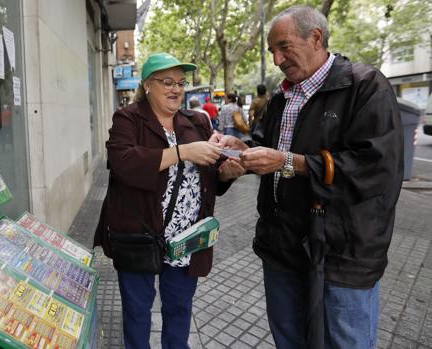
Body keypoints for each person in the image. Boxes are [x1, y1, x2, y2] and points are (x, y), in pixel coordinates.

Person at [219, 5, 403, 348]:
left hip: (342, 256)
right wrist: (240, 150)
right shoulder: (282, 97)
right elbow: (268, 145)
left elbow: (377, 168)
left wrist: (292, 163)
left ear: (315, 37)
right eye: (272, 51)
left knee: (344, 342)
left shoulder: (364, 86)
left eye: (283, 46)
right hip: (282, 251)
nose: (276, 59)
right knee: (289, 340)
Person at [93, 52, 245, 349]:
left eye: (180, 82)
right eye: (167, 82)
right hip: (139, 235)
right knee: (137, 314)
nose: (176, 89)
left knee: (179, 310)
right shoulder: (128, 119)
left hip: (187, 240)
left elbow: (210, 177)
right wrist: (183, 152)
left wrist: (227, 173)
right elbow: (123, 162)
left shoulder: (197, 122)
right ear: (147, 85)